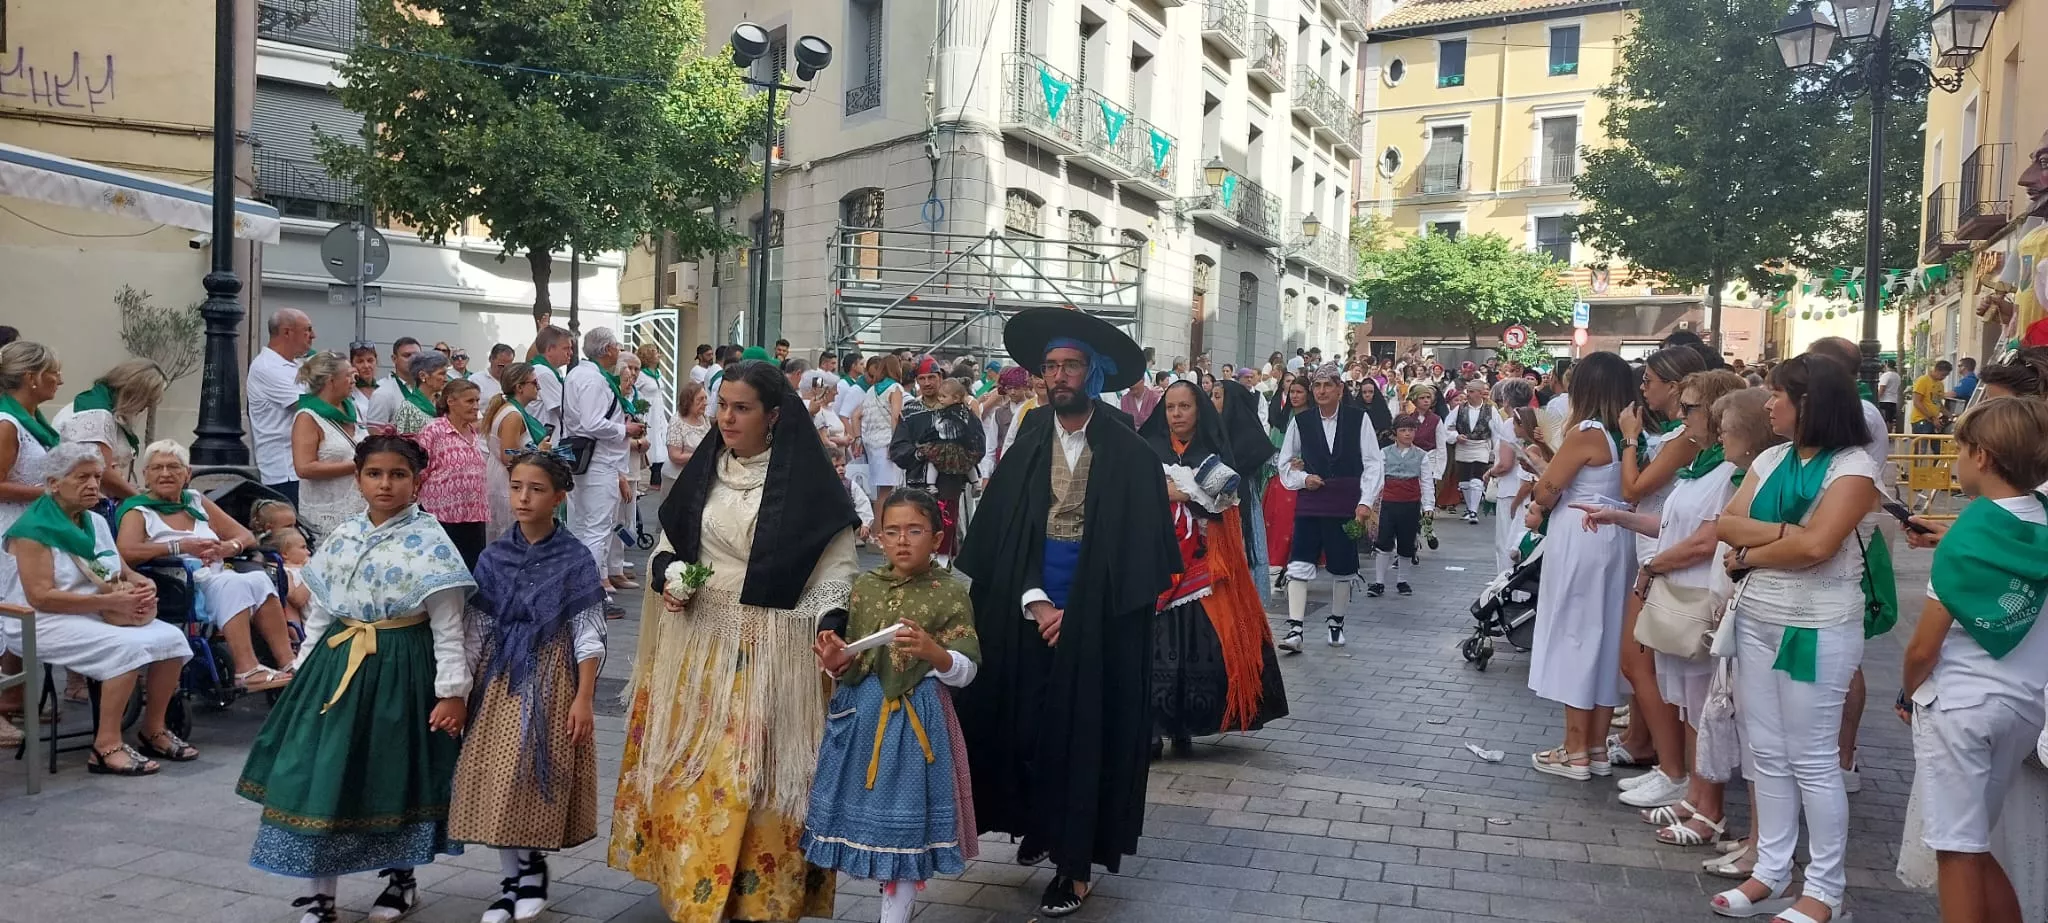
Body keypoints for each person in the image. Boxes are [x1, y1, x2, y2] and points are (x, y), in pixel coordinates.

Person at [609, 360, 859, 923]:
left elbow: (836, 572)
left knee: (756, 779)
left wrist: (829, 624)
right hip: (699, 646)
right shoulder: (705, 472)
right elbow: (669, 544)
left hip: (771, 650)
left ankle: (758, 901)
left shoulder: (808, 487)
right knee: (696, 775)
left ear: (774, 416)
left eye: (741, 408)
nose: (726, 418)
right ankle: (696, 895)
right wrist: (670, 576)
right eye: (722, 405)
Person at [955, 306, 1177, 918]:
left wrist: (1076, 609)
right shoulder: (1029, 441)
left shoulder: (1129, 451)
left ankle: (1074, 866)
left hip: (1101, 617)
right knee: (1028, 726)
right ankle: (1038, 824)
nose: (1058, 376)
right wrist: (1035, 601)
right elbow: (1005, 535)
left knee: (1084, 736)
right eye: (1050, 366)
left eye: (1071, 365)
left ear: (1093, 372)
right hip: (1031, 610)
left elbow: (1137, 550)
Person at [237, 435, 476, 923]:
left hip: (402, 668)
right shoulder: (344, 535)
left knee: (393, 771)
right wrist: (303, 671)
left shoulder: (432, 542)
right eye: (374, 474)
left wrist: (452, 692)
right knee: (321, 774)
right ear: (358, 479)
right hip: (336, 667)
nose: (385, 484)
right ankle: (319, 894)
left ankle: (400, 879)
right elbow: (322, 612)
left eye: (398, 475)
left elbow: (449, 624)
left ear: (417, 481)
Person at [1708, 354, 1880, 923]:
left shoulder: (1853, 468)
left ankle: (1825, 890)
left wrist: (1752, 554)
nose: (1768, 403)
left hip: (1817, 627)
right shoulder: (1771, 457)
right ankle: (1772, 871)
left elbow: (1819, 547)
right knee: (1767, 751)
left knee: (1813, 759)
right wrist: (1787, 532)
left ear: (1809, 403)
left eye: (1777, 394)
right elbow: (1726, 522)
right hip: (1757, 618)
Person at [1577, 370, 1752, 839]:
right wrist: (1618, 518)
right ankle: (1695, 794)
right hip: (1677, 589)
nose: (1681, 414)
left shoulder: (1727, 473)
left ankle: (1706, 803)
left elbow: (1705, 540)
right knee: (1685, 701)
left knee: (1700, 703)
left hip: (1695, 594)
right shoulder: (1704, 468)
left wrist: (1654, 566)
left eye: (1690, 407)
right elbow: (1674, 526)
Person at [1893, 397, 2048, 923]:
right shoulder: (2041, 520)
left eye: (1960, 449)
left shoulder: (1970, 535)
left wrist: (1908, 691)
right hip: (2023, 704)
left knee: (1956, 850)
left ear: (1982, 456)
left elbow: (1923, 647)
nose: (1955, 459)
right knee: (1976, 844)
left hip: (1960, 706)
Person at [803, 488, 979, 923]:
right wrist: (835, 662)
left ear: (936, 538)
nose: (902, 540)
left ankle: (893, 915)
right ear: (878, 537)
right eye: (892, 531)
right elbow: (854, 663)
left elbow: (966, 669)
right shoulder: (865, 588)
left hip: (920, 723)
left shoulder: (950, 593)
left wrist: (935, 654)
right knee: (872, 823)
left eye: (915, 531)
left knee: (905, 831)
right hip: (863, 721)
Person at [448, 451, 608, 923]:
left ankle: (532, 868)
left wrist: (583, 697)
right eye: (516, 486)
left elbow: (588, 631)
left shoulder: (575, 558)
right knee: (495, 776)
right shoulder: (494, 555)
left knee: (531, 774)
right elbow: (476, 627)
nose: (523, 497)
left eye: (536, 489)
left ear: (558, 498)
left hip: (551, 675)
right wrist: (460, 690)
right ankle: (511, 879)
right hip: (498, 675)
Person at [2, 442, 187, 776]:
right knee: (127, 648)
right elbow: (41, 597)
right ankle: (106, 746)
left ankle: (153, 729)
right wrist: (109, 602)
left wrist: (141, 582)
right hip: (40, 620)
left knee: (172, 639)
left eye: (97, 477)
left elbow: (119, 569)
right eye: (82, 477)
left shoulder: (95, 522)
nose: (93, 485)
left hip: (95, 610)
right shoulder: (33, 531)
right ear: (54, 483)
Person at [1140, 380, 1288, 756]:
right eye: (1170, 407)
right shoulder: (1147, 450)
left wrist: (1184, 494)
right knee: (1155, 648)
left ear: (1199, 410)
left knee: (1199, 647)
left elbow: (1226, 504)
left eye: (1184, 407)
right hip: (1158, 561)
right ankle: (1153, 728)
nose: (1177, 414)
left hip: (1205, 564)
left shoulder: (1213, 453)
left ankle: (1186, 727)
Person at [1521, 351, 1637, 782]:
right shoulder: (1628, 435)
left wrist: (1540, 478)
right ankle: (1596, 746)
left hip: (1581, 535)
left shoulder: (1587, 432)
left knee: (1575, 635)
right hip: (1617, 535)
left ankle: (1575, 749)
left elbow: (1548, 490)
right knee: (1605, 637)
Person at [116, 439, 296, 692]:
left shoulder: (195, 501)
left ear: (187, 473)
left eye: (174, 467)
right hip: (175, 581)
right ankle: (246, 670)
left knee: (259, 578)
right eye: (157, 468)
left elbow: (245, 535)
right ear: (145, 474)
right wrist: (179, 546)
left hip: (214, 573)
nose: (165, 473)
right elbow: (125, 552)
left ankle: (289, 663)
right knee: (232, 583)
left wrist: (228, 547)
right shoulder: (138, 510)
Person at [1609, 345, 1709, 791]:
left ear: (1675, 386)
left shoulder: (1685, 438)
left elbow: (1633, 488)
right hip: (1653, 547)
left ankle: (1673, 769)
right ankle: (1660, 758)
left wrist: (1630, 437)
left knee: (1643, 665)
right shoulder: (1675, 434)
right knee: (1646, 666)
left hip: (1664, 557)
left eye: (1649, 382)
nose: (1643, 390)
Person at [1275, 363, 1386, 652]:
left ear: (1340, 389)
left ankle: (1336, 623)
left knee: (1342, 565)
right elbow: (1284, 462)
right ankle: (1295, 630)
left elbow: (1373, 462)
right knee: (1299, 561)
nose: (1322, 391)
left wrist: (1365, 502)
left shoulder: (1358, 419)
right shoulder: (1301, 422)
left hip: (1345, 501)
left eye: (1328, 385)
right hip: (1311, 501)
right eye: (1317, 386)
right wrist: (1303, 478)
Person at [561, 328, 644, 616]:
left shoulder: (580, 374)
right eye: (617, 346)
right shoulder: (593, 379)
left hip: (588, 460)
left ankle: (579, 589)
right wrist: (625, 429)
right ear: (607, 349)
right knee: (597, 529)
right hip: (598, 461)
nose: (619, 351)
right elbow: (592, 422)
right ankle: (593, 594)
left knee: (584, 527)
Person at [53, 358, 168, 502]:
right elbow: (103, 473)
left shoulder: (98, 404)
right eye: (147, 400)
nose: (146, 407)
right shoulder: (97, 414)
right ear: (136, 393)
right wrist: (144, 501)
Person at [415, 379, 491, 570]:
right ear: (451, 401)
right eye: (470, 401)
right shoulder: (434, 430)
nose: (476, 406)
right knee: (443, 568)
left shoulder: (472, 431)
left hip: (473, 514)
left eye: (477, 401)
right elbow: (418, 469)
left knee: (472, 568)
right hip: (441, 515)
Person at [291, 353, 368, 538]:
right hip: (328, 513)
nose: (354, 379)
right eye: (348, 375)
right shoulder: (307, 417)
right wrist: (359, 465)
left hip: (361, 508)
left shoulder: (351, 408)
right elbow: (304, 468)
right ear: (330, 380)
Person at [249, 310, 316, 502]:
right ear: (287, 332)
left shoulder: (297, 365)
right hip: (285, 471)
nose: (313, 335)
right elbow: (307, 406)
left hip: (303, 468)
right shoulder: (267, 367)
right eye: (307, 330)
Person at [483, 362, 545, 541]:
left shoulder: (512, 410)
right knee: (510, 537)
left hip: (505, 480)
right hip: (507, 483)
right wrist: (540, 451)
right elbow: (509, 457)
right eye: (534, 383)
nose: (539, 387)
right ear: (519, 387)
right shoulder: (513, 415)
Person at [1369, 415, 1427, 596]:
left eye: (1411, 430)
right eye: (1403, 430)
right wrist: (1370, 502)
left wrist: (1428, 506)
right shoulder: (1384, 453)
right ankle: (1379, 582)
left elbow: (1426, 482)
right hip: (1388, 503)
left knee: (1406, 542)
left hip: (1410, 504)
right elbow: (1377, 478)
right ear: (1395, 433)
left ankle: (1402, 580)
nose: (1407, 434)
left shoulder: (1422, 455)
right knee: (1383, 542)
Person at [1261, 377, 1310, 590]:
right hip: (1280, 478)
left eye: (1299, 391)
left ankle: (1294, 567)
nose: (1295, 396)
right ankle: (1279, 567)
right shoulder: (1283, 418)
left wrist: (1305, 461)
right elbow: (1273, 449)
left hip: (1305, 479)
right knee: (1279, 524)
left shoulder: (1314, 419)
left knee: (1297, 526)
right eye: (1292, 392)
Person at [855, 354, 907, 507]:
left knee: (879, 492)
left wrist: (858, 439)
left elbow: (855, 415)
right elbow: (895, 417)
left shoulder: (871, 390)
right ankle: (880, 523)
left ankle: (878, 522)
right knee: (886, 492)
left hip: (871, 445)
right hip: (887, 443)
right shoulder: (895, 388)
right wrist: (896, 443)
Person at [1448, 382, 1494, 523]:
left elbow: (1497, 431)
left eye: (1472, 391)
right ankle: (1469, 509)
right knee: (1464, 480)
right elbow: (1448, 426)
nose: (1468, 394)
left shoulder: (1490, 410)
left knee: (1476, 477)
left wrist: (1496, 451)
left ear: (1480, 393)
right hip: (1464, 447)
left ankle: (1474, 511)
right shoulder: (1459, 409)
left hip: (1481, 446)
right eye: (1468, 391)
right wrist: (1456, 436)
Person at [390, 349, 452, 437]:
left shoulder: (444, 402)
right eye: (441, 374)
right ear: (422, 375)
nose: (446, 379)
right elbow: (403, 442)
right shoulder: (409, 408)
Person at [366, 337, 424, 427]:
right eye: (407, 355)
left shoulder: (427, 388)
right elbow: (375, 433)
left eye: (417, 356)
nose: (413, 360)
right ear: (394, 359)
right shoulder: (383, 393)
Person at [634, 343, 671, 488]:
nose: (658, 355)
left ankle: (657, 476)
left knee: (661, 440)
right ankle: (651, 473)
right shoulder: (642, 375)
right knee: (651, 440)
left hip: (658, 411)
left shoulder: (658, 373)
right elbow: (634, 392)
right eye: (655, 352)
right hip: (648, 412)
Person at [527, 326, 574, 424]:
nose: (571, 353)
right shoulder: (543, 372)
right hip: (544, 432)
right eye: (566, 348)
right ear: (549, 349)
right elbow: (565, 411)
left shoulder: (552, 371)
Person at [665, 379, 710, 471]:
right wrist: (700, 456)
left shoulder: (705, 418)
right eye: (700, 399)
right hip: (678, 474)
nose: (705, 403)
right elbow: (675, 456)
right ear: (688, 402)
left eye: (705, 398)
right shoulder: (677, 422)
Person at [1913, 359, 1955, 435]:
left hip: (1934, 420)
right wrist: (1932, 417)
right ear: (1936, 370)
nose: (1943, 377)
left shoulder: (1940, 384)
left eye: (1946, 375)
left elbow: (1938, 404)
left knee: (1937, 442)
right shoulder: (1923, 380)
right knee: (1923, 442)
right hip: (1921, 419)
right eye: (1942, 375)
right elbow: (1917, 402)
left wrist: (1949, 415)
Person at [350, 343, 381, 421]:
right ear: (352, 364)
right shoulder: (347, 393)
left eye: (370, 360)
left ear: (376, 362)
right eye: (360, 361)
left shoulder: (384, 390)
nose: (366, 366)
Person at [1878, 359, 1903, 430]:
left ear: (1887, 365)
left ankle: (1885, 433)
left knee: (1884, 420)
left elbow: (1882, 388)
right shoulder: (1897, 376)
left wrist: (1877, 398)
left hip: (1884, 400)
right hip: (1893, 400)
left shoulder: (1886, 375)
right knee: (1890, 420)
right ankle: (1889, 434)